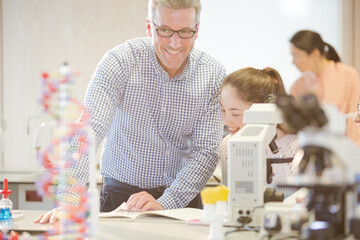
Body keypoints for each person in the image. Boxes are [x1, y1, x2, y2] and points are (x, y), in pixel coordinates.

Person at [35, 0, 226, 224]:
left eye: (185, 32)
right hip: (121, 197)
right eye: (164, 31)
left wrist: (166, 202)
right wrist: (68, 202)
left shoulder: (213, 75)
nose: (175, 43)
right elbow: (88, 130)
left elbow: (205, 151)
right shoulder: (120, 62)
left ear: (196, 30)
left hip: (181, 201)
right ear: (149, 27)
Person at [219, 67, 299, 198]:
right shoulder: (228, 144)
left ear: (264, 109)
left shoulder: (297, 147)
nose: (227, 121)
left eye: (235, 114)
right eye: (222, 110)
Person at [289, 30, 360, 146]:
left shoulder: (347, 75)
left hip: (345, 151)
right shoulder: (299, 85)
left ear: (315, 54)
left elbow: (355, 120)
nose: (293, 62)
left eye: (296, 57)